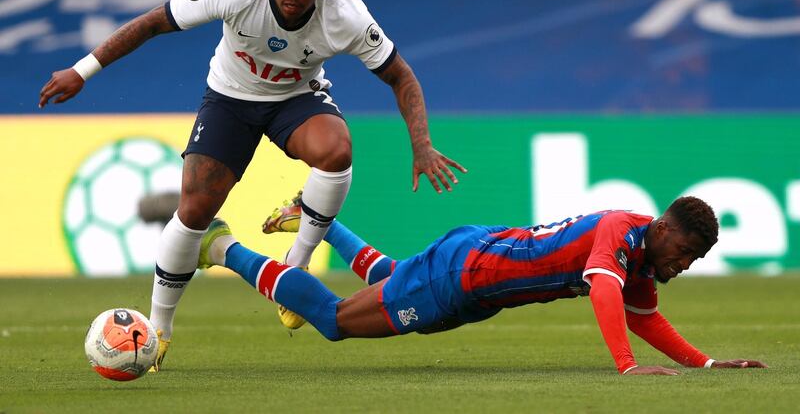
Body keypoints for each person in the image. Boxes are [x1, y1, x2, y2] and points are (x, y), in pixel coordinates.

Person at [38, 0, 466, 371]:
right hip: (229, 99)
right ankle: (160, 328)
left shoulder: (347, 15)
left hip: (295, 98)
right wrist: (81, 70)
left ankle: (294, 269)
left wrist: (422, 145)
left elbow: (401, 76)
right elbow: (153, 22)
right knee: (194, 212)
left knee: (336, 152)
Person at [197, 195, 767, 375]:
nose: (686, 263)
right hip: (466, 276)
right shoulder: (622, 234)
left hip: (475, 273)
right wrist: (626, 366)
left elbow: (646, 317)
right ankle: (221, 247)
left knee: (396, 281)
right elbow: (601, 290)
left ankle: (317, 217)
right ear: (664, 229)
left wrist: (707, 366)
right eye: (686, 252)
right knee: (335, 321)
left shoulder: (640, 258)